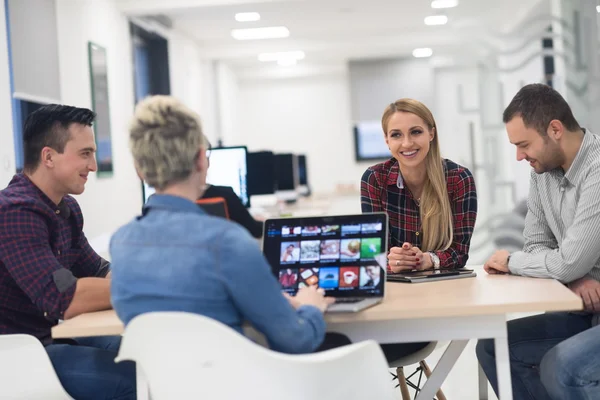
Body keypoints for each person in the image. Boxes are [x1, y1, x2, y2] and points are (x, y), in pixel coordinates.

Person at [110, 95, 334, 354]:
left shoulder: (121, 243)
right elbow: (297, 340)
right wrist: (311, 306)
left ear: (139, 169)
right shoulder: (228, 241)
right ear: (201, 160)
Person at [0, 104, 136, 399]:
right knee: (132, 379)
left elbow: (97, 269)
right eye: (85, 154)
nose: (94, 166)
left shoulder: (65, 208)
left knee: (141, 351)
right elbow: (64, 296)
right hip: (15, 354)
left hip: (46, 339)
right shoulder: (15, 212)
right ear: (48, 156)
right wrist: (140, 286)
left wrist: (130, 278)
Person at [476, 83, 600, 400]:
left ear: (555, 129)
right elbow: (535, 244)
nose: (519, 156)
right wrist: (576, 276)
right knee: (493, 347)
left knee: (563, 367)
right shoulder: (541, 173)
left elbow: (567, 260)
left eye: (524, 144)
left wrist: (510, 261)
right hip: (583, 307)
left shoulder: (597, 171)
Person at [361, 98, 478, 272]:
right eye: (396, 135)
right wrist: (393, 261)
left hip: (444, 289)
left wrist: (428, 259)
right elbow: (372, 254)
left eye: (416, 132)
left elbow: (459, 253)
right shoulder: (375, 179)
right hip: (396, 286)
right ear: (386, 140)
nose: (407, 143)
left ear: (431, 134)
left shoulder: (458, 179)